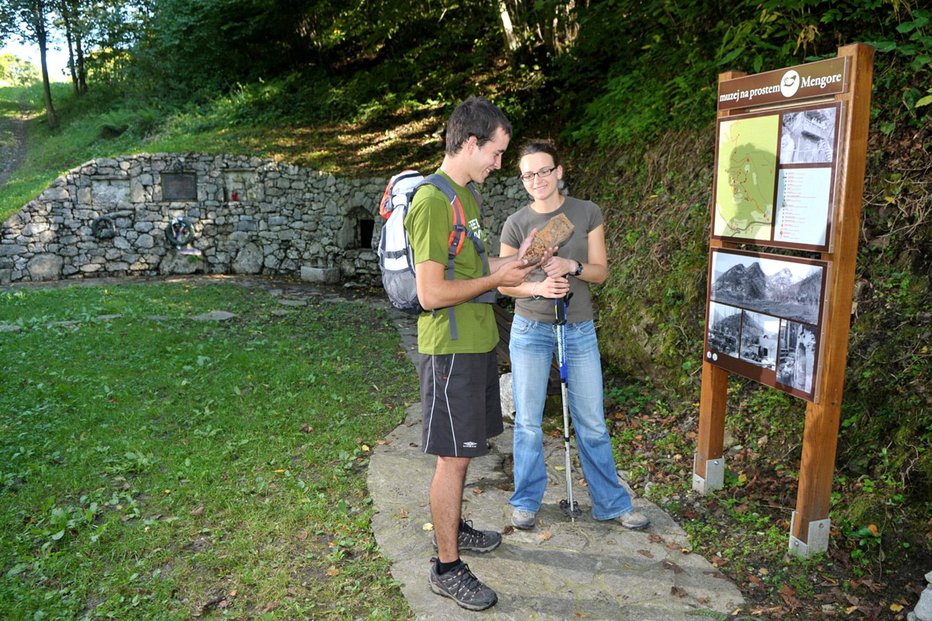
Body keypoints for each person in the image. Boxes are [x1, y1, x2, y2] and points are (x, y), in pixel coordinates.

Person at [404, 96, 554, 611]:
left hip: (475, 342)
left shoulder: (465, 197)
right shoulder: (432, 201)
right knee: (452, 458)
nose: (498, 163)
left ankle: (456, 529)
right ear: (471, 143)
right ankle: (445, 567)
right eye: (496, 152)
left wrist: (523, 261)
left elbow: (474, 268)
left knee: (465, 454)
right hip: (449, 350)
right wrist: (496, 276)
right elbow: (430, 293)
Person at [498, 139, 650, 532]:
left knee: (592, 420)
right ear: (522, 180)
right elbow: (504, 285)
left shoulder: (586, 212)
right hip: (530, 327)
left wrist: (571, 264)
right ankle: (526, 501)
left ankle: (611, 503)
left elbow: (600, 272)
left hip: (578, 327)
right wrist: (538, 288)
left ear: (559, 171)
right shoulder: (516, 223)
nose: (537, 180)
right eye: (529, 174)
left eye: (544, 171)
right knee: (529, 420)